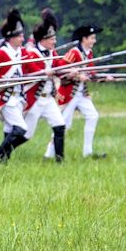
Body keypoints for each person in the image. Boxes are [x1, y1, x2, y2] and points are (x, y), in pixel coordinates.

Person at [45, 24, 112, 159]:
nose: (94, 41)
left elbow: (91, 73)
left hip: (82, 94)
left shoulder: (89, 54)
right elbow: (62, 71)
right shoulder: (74, 52)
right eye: (92, 38)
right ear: (84, 39)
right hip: (69, 94)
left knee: (93, 116)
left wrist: (104, 77)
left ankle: (88, 153)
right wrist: (76, 76)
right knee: (64, 125)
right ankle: (48, 154)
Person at [21, 9, 67, 163]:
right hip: (36, 99)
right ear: (44, 40)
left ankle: (60, 161)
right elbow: (33, 71)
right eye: (52, 39)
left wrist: (70, 70)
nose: (54, 42)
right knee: (26, 135)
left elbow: (60, 67)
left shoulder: (52, 53)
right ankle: (2, 155)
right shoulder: (32, 54)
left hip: (48, 99)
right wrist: (45, 72)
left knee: (60, 126)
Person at [0, 9, 29, 163]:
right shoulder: (0, 53)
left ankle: (3, 160)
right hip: (5, 98)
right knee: (21, 130)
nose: (23, 38)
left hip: (18, 97)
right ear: (11, 37)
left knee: (10, 130)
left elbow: (32, 67)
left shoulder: (22, 53)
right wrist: (3, 80)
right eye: (20, 36)